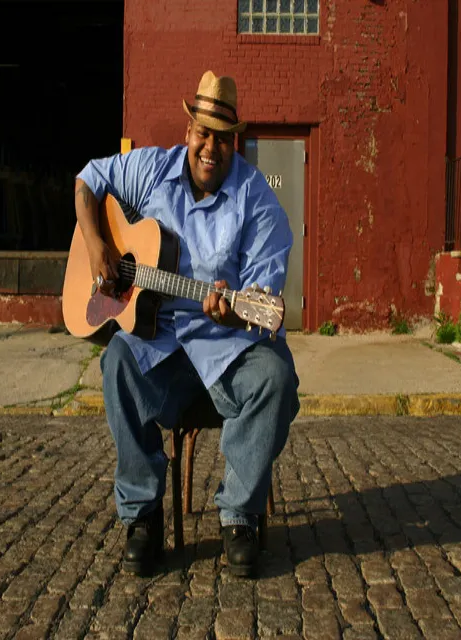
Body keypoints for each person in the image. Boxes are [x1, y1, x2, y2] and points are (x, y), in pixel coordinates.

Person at [74, 70, 300, 578]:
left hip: (228, 346)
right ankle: (143, 515)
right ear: (188, 131)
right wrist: (97, 246)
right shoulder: (152, 170)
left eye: (222, 138)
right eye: (203, 133)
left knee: (277, 379)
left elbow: (264, 289)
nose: (210, 148)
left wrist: (233, 309)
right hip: (160, 343)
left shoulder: (256, 198)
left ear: (233, 142)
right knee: (117, 362)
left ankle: (238, 514)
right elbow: (88, 180)